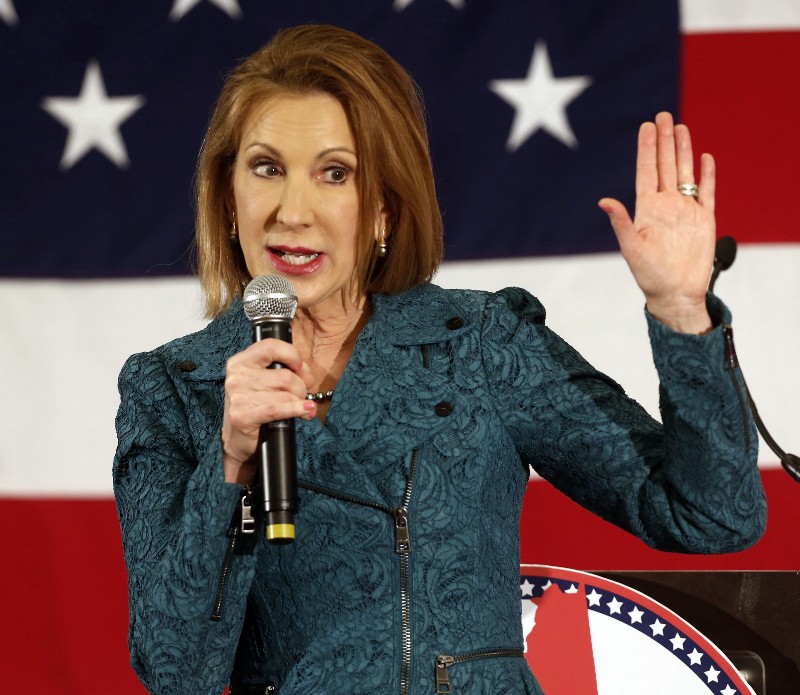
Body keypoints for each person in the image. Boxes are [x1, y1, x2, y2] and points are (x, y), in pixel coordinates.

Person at [113, 23, 766, 695]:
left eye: (335, 173)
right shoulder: (173, 389)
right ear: (228, 197)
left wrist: (682, 312)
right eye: (266, 168)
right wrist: (230, 463)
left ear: (384, 215)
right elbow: (176, 671)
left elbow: (712, 515)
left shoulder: (481, 341)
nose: (293, 209)